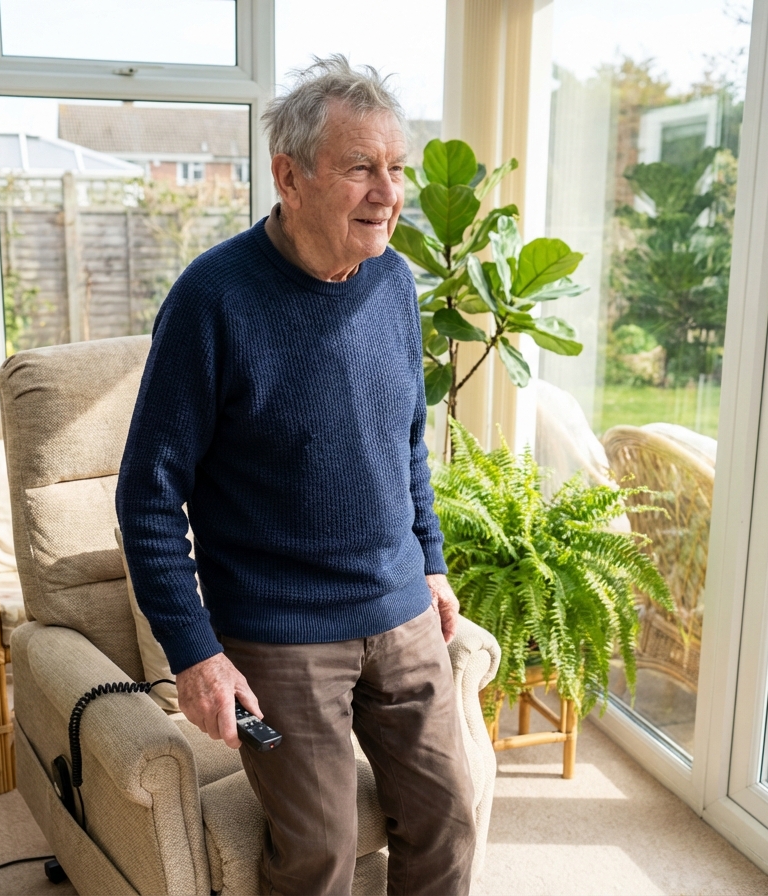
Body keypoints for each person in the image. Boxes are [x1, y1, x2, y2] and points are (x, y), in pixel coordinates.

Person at [116, 55, 475, 896]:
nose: (387, 191)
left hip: (399, 609)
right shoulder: (214, 300)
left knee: (447, 819)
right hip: (281, 631)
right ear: (290, 175)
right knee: (319, 848)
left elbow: (407, 439)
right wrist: (195, 653)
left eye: (395, 169)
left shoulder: (393, 280)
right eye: (361, 168)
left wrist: (430, 558)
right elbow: (148, 495)